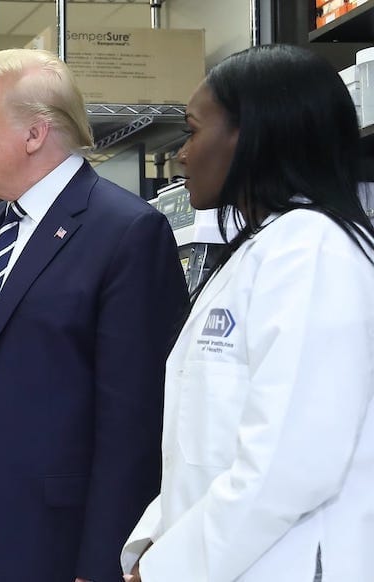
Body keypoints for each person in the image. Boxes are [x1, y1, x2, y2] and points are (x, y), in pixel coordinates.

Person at [0, 48, 189, 582]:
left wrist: (107, 558)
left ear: (35, 134)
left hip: (54, 547)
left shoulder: (125, 232)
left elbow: (135, 419)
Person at [121, 44, 374, 582]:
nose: (182, 155)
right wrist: (153, 543)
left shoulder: (313, 253)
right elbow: (200, 452)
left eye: (192, 131)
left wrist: (169, 566)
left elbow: (293, 465)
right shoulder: (265, 249)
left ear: (252, 133)